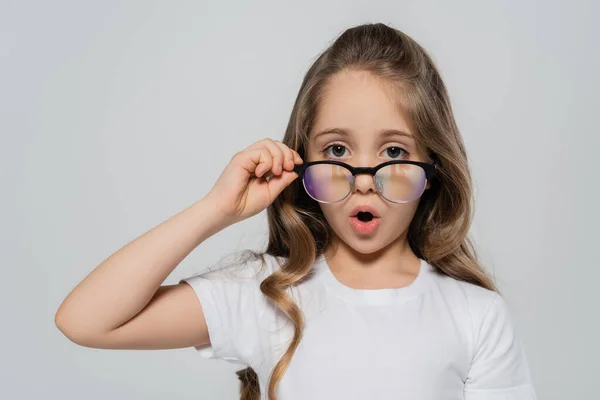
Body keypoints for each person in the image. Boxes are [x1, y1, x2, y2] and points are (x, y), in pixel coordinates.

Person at [55, 22, 537, 400]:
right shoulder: (266, 294)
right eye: (337, 151)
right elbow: (87, 321)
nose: (364, 182)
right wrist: (215, 210)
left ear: (433, 165)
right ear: (301, 160)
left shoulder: (476, 315)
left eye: (393, 153)